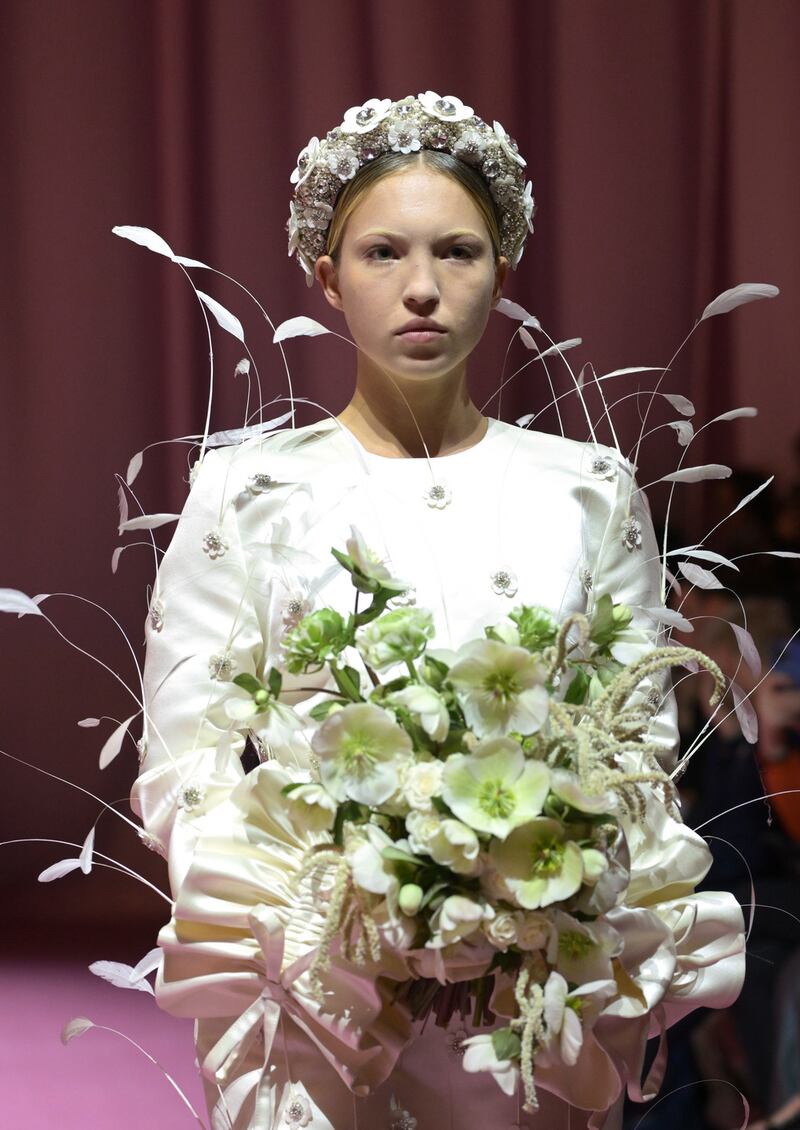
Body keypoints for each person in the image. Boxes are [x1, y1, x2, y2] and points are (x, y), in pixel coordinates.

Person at [130, 94, 745, 1130]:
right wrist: (331, 916)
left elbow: (639, 752)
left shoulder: (586, 487)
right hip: (323, 1001)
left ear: (501, 272)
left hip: (531, 1002)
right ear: (326, 279)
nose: (421, 287)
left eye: (456, 251)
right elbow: (186, 764)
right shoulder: (247, 489)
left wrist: (526, 909)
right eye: (381, 253)